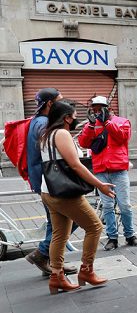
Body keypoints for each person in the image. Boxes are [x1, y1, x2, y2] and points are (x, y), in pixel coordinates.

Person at [40, 101, 114, 294]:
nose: (75, 120)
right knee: (95, 226)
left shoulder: (45, 135)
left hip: (48, 190)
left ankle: (56, 277)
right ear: (66, 118)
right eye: (73, 116)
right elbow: (75, 165)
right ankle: (87, 271)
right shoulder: (62, 134)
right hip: (65, 192)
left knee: (59, 234)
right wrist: (100, 185)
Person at [23, 88, 78, 276]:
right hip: (51, 182)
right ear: (50, 104)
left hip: (45, 180)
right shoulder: (44, 123)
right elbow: (51, 150)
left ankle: (51, 261)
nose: (64, 104)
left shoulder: (37, 121)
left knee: (57, 223)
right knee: (67, 221)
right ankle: (43, 255)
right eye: (60, 101)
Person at [78, 96, 137, 251]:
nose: (97, 111)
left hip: (119, 170)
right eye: (94, 108)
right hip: (101, 171)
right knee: (107, 206)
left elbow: (122, 138)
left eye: (100, 108)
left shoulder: (122, 122)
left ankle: (130, 235)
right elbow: (83, 143)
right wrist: (91, 126)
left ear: (109, 107)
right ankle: (112, 238)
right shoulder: (92, 125)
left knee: (125, 205)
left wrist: (107, 122)